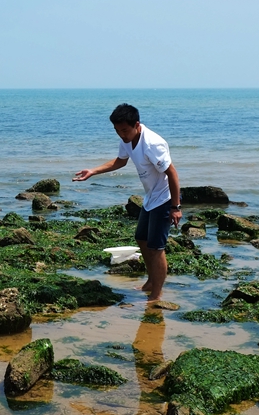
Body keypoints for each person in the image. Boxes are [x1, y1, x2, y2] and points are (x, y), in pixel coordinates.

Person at [73, 103, 181, 302]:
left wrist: (175, 207)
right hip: (150, 198)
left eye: (124, 130)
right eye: (117, 131)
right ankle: (150, 282)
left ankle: (156, 294)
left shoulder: (152, 144)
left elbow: (172, 174)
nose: (121, 135)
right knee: (141, 238)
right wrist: (93, 171)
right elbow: (120, 161)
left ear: (136, 125)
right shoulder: (127, 139)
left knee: (157, 248)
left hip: (165, 199)